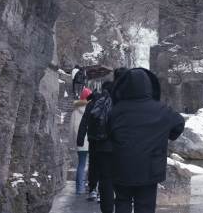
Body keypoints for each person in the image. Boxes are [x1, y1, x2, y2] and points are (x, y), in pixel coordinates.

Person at [109, 68, 185, 213]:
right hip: (150, 169)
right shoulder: (161, 110)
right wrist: (166, 135)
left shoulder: (116, 110)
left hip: (121, 168)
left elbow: (108, 133)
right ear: (149, 86)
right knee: (145, 207)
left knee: (122, 202)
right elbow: (179, 124)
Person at [78, 81, 115, 212]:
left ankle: (93, 189)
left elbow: (84, 121)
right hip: (108, 142)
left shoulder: (92, 102)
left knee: (94, 164)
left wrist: (80, 139)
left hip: (93, 140)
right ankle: (102, 193)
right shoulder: (114, 102)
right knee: (106, 172)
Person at [70, 87, 92, 195]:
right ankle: (91, 186)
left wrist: (72, 142)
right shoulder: (92, 109)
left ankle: (79, 189)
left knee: (81, 164)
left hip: (80, 142)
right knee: (92, 164)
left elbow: (71, 129)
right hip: (92, 141)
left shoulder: (75, 111)